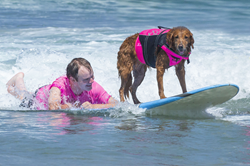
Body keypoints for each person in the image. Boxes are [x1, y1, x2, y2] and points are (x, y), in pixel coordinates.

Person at [6, 58, 118, 110]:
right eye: (86, 79)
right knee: (24, 97)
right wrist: (69, 107)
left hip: (47, 93)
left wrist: (94, 106)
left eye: (92, 76)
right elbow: (52, 107)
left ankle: (14, 86)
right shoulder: (60, 85)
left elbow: (116, 104)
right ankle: (18, 78)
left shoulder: (93, 86)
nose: (92, 81)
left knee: (24, 95)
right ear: (73, 80)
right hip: (39, 98)